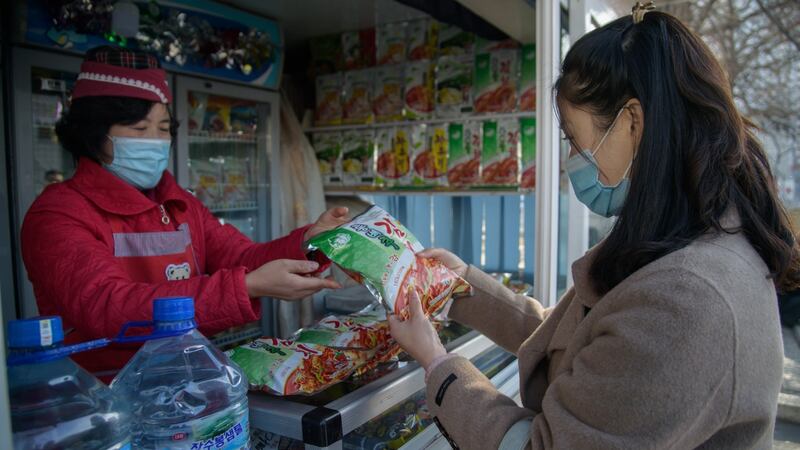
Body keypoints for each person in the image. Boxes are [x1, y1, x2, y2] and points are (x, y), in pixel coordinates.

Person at [389, 7, 800, 450]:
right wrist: (460, 286)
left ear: (631, 123)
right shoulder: (687, 238)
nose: (571, 159)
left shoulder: (687, 299)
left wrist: (436, 363)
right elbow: (584, 345)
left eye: (572, 137)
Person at [21, 46, 346, 380]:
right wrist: (244, 287)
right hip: (103, 399)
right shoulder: (57, 214)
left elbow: (243, 256)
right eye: (138, 129)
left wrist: (310, 242)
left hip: (188, 385)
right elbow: (107, 305)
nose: (155, 141)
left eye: (163, 129)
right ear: (93, 132)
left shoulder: (179, 205)